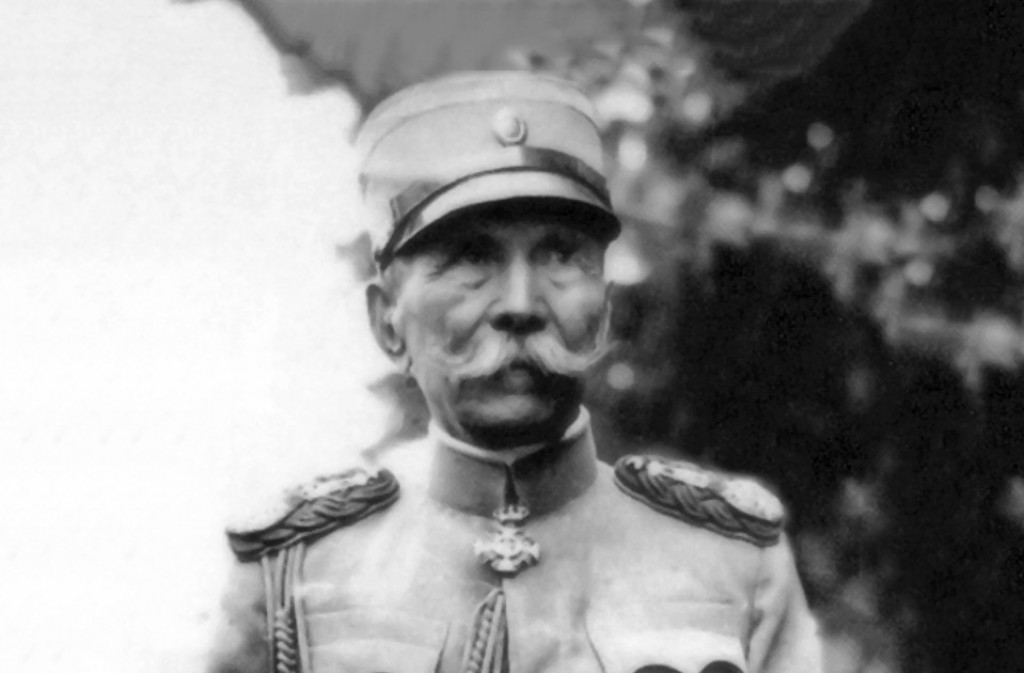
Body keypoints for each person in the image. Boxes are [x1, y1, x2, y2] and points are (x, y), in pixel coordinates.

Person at [207, 71, 822, 673]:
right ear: (387, 322)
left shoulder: (732, 566)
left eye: (560, 255)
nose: (521, 304)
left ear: (604, 311)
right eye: (471, 257)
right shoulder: (294, 576)